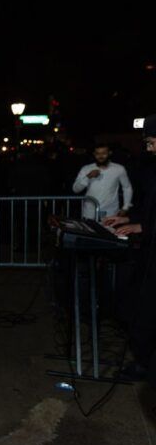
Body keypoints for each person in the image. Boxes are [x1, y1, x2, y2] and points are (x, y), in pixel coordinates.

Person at [102, 116, 156, 381]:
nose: (149, 148)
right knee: (136, 306)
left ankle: (145, 364)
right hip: (149, 253)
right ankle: (143, 360)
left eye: (152, 142)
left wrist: (141, 227)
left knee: (144, 309)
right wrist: (129, 220)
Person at [72, 143, 132, 220]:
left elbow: (127, 187)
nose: (100, 156)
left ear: (109, 153)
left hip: (110, 212)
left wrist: (126, 207)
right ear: (94, 154)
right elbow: (76, 189)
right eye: (97, 153)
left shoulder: (119, 169)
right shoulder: (86, 168)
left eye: (104, 153)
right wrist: (88, 176)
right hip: (89, 212)